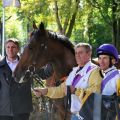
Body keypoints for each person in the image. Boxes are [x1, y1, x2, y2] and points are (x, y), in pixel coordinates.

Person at [34, 43, 102, 120]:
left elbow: (96, 95)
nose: (77, 56)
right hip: (75, 116)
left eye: (80, 53)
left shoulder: (95, 71)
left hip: (89, 116)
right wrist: (44, 91)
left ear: (89, 54)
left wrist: (75, 90)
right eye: (76, 53)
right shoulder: (74, 71)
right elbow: (61, 90)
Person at [0, 38, 33, 120]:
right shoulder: (0, 66)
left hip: (22, 110)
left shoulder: (27, 65)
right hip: (4, 109)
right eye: (8, 47)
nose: (10, 49)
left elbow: (44, 74)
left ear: (18, 49)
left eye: (13, 47)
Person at [96, 44, 120, 119]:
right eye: (99, 58)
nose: (101, 61)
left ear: (113, 60)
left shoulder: (118, 77)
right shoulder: (101, 75)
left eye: (105, 58)